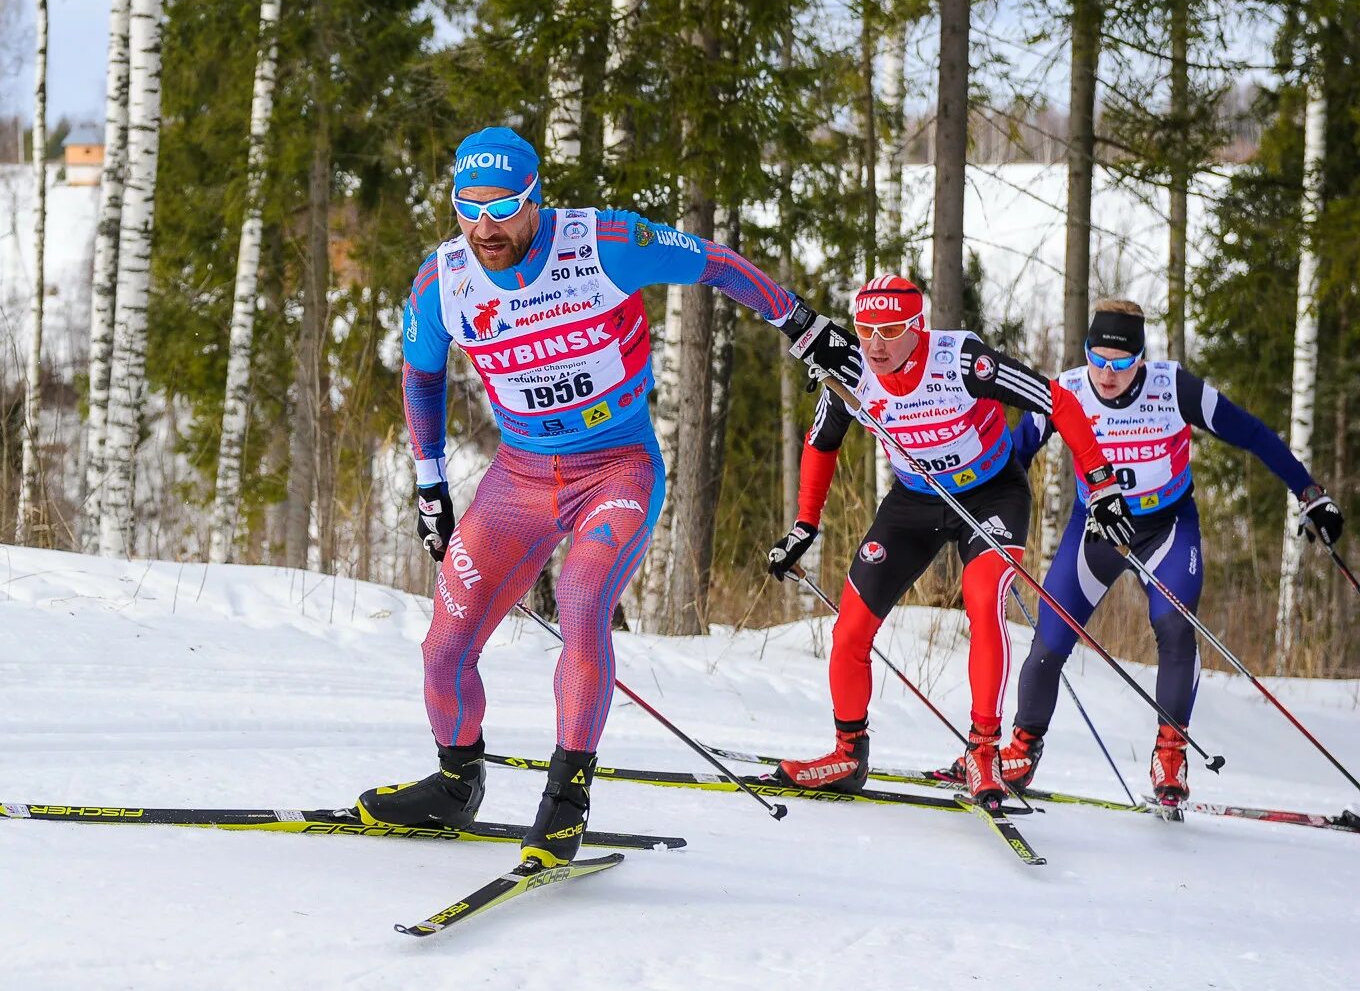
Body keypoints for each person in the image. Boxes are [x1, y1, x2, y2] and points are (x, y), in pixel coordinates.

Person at [357, 126, 858, 867]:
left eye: (505, 207)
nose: (485, 226)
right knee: (443, 645)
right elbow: (421, 377)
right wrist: (430, 483)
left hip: (617, 467)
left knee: (585, 595)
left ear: (537, 198)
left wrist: (800, 320)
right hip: (520, 475)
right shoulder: (445, 280)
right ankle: (456, 783)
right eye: (469, 207)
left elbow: (713, 264)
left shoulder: (601, 243)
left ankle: (565, 802)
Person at [765, 274, 1134, 807]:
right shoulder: (849, 372)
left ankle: (984, 752)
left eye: (890, 330)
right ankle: (848, 752)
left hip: (991, 495)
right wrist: (804, 525)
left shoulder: (963, 361)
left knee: (983, 602)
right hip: (913, 503)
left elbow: (1059, 402)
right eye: (865, 329)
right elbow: (820, 443)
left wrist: (1100, 484)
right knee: (849, 628)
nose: (875, 343)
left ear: (918, 327)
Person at [1000, 299, 1343, 804]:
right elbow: (1016, 453)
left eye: (1121, 362)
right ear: (1086, 353)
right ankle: (1023, 746)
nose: (1107, 373)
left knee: (1175, 627)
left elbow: (1251, 433)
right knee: (1049, 642)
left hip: (1166, 528)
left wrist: (1309, 493)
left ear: (1141, 358)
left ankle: (1170, 752)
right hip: (1095, 529)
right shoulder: (1067, 389)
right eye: (1098, 358)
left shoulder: (1173, 387)